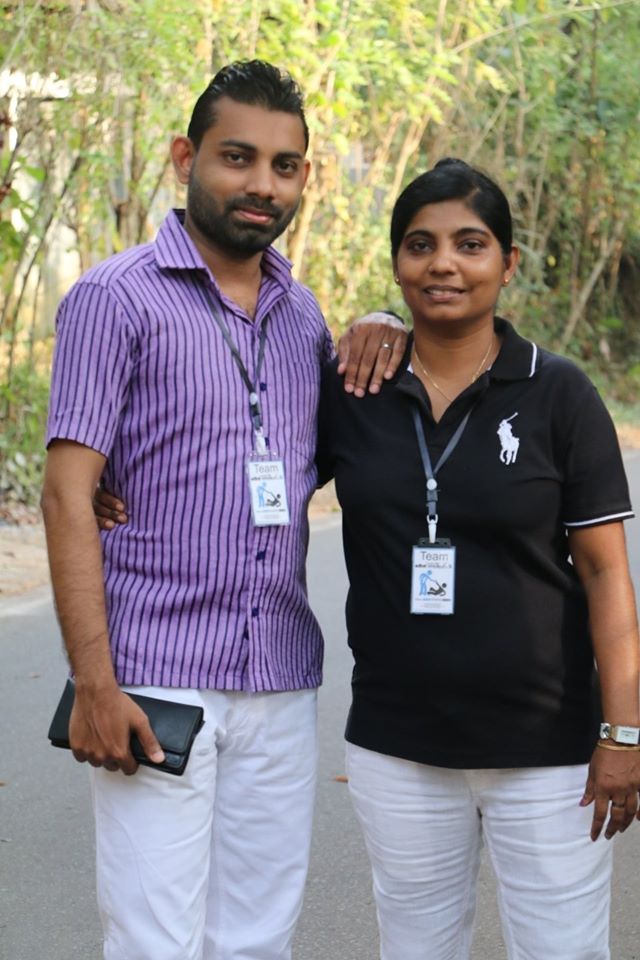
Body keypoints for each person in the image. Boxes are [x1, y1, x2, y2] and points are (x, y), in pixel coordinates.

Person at [41, 59, 406, 960]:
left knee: (257, 939)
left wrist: (387, 320)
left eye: (284, 166)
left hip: (278, 676)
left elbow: (320, 457)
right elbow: (66, 492)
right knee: (154, 940)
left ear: (305, 178)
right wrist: (95, 685)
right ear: (186, 158)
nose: (261, 185)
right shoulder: (114, 298)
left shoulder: (301, 314)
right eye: (237, 157)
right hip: (154, 676)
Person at [316, 158, 640, 960]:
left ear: (508, 262)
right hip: (398, 744)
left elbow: (607, 574)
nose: (445, 264)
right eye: (421, 245)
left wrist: (623, 733)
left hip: (549, 751)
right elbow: (243, 457)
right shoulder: (355, 389)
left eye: (470, 244)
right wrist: (108, 483)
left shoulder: (559, 394)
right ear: (398, 262)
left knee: (563, 950)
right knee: (416, 947)